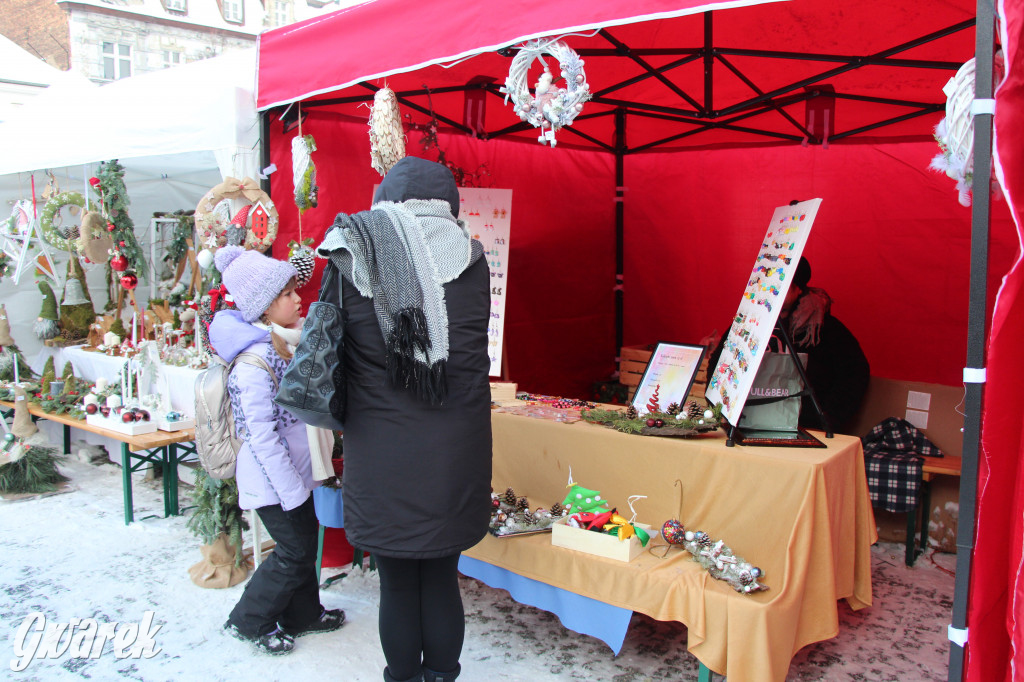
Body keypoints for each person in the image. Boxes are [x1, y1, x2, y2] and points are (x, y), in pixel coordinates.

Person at [318, 156, 492, 682]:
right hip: (453, 448)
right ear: (448, 203)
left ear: (384, 199)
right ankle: (442, 676)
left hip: (381, 445)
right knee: (442, 575)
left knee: (396, 582)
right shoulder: (473, 258)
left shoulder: (353, 252)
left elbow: (335, 352)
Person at [208, 245, 344, 655]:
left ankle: (302, 614)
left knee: (304, 542)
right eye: (286, 294)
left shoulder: (284, 345)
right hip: (273, 481)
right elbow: (262, 437)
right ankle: (248, 620)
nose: (298, 298)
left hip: (295, 476)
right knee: (294, 550)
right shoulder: (253, 363)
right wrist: (290, 489)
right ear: (264, 308)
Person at [779, 256, 870, 432]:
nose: (772, 291)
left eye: (781, 286)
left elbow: (855, 372)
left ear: (798, 289)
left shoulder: (825, 328)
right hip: (756, 420)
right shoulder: (754, 322)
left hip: (809, 426)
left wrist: (828, 417)